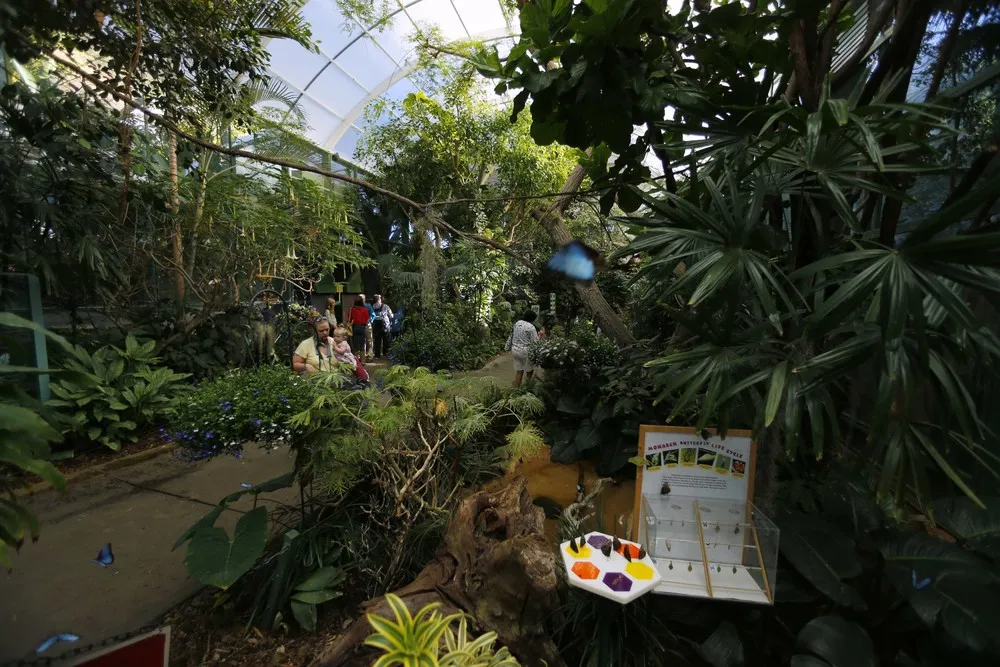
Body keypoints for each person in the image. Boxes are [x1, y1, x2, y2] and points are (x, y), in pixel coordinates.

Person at [505, 310, 540, 388]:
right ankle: (526, 389)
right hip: (526, 351)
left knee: (519, 371)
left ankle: (516, 389)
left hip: (515, 350)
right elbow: (535, 342)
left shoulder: (517, 323)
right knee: (529, 371)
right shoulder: (531, 327)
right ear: (532, 319)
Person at [371, 294, 393, 360]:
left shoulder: (373, 306)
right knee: (386, 340)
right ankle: (386, 354)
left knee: (377, 340)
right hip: (385, 325)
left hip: (376, 325)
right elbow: (391, 315)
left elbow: (372, 316)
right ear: (380, 299)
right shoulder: (386, 306)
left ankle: (377, 355)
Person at [359, 293, 376, 361]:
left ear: (364, 299)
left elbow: (373, 314)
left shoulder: (368, 306)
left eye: (361, 298)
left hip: (367, 325)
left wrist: (370, 320)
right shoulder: (356, 307)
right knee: (362, 341)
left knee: (369, 341)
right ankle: (362, 357)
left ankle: (369, 356)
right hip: (359, 325)